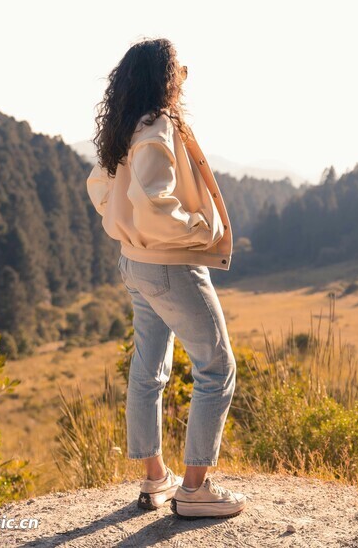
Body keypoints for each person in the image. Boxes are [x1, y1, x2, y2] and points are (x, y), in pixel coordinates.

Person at [86, 38, 246, 519]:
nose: (182, 79)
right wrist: (197, 230)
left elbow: (99, 187)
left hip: (134, 263)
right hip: (170, 264)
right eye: (177, 72)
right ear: (164, 80)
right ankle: (195, 489)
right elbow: (156, 205)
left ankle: (156, 479)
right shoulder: (156, 129)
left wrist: (127, 225)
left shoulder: (125, 127)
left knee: (148, 370)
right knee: (217, 369)